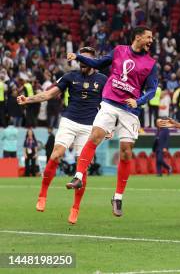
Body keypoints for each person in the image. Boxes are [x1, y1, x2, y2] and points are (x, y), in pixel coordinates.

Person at [65, 26, 158, 218]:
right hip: (109, 102)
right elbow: (98, 63)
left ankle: (117, 197)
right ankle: (78, 176)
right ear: (138, 37)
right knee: (96, 135)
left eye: (152, 38)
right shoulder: (118, 51)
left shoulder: (150, 63)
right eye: (148, 37)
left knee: (125, 152)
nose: (151, 41)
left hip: (130, 109)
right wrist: (78, 57)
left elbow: (152, 89)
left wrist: (138, 101)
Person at [18, 46, 107, 224]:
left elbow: (110, 105)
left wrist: (109, 126)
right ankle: (42, 194)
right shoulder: (70, 77)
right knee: (56, 154)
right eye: (80, 59)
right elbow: (49, 94)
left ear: (93, 61)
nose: (82, 62)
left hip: (89, 126)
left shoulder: (103, 80)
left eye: (86, 59)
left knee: (82, 170)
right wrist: (28, 99)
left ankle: (75, 208)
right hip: (69, 121)